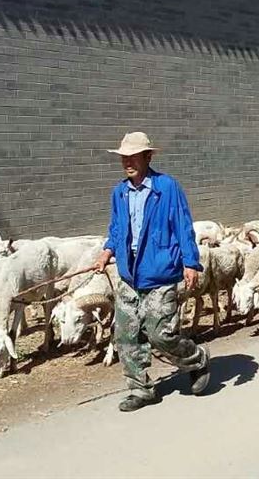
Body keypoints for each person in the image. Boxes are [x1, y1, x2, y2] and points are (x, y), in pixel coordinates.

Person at [93, 131, 210, 411]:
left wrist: (190, 263)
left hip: (160, 273)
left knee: (161, 335)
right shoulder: (119, 192)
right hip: (130, 276)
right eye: (124, 158)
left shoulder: (167, 187)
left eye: (133, 157)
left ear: (147, 157)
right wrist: (107, 251)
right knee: (126, 334)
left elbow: (183, 225)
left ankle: (196, 359)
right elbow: (117, 228)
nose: (127, 163)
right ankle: (141, 390)